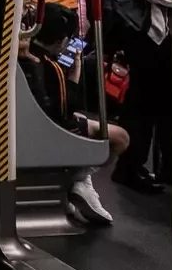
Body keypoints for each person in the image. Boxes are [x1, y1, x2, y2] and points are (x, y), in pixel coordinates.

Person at [19, 17, 130, 225]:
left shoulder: (28, 59)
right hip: (48, 129)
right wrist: (76, 71)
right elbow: (66, 109)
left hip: (35, 120)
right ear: (61, 40)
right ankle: (81, 178)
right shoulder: (51, 66)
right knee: (120, 137)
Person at [112, 0, 172, 192]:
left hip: (162, 36)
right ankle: (129, 168)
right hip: (142, 35)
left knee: (160, 105)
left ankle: (158, 167)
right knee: (141, 107)